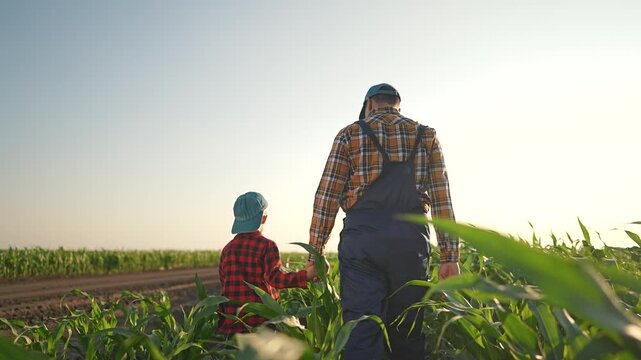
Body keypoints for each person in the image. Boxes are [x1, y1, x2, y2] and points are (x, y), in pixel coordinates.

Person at [308, 83, 460, 359]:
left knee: (361, 330)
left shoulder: (350, 134)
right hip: (410, 243)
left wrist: (315, 253)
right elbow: (441, 196)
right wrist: (450, 257)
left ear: (369, 105)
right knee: (408, 330)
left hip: (363, 243)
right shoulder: (425, 135)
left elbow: (326, 197)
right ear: (397, 105)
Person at [218, 191, 317, 334]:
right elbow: (276, 279)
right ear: (264, 218)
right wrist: (306, 276)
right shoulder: (267, 246)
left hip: (232, 323)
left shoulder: (227, 250)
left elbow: (224, 283)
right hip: (261, 323)